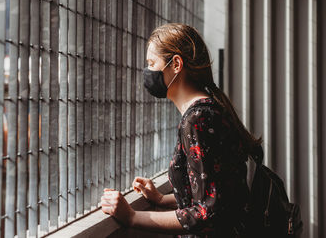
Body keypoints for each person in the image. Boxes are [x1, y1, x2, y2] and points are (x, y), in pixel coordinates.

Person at [100, 23, 264, 237]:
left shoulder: (198, 120)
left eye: (152, 63)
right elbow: (213, 191)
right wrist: (160, 199)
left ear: (176, 64)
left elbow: (207, 212)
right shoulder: (208, 110)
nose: (148, 72)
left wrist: (131, 216)